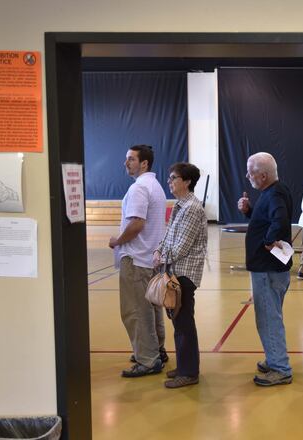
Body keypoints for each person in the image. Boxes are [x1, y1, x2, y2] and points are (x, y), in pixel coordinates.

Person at [109, 144, 168, 378]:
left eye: (131, 159)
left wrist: (118, 241)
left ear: (144, 163)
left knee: (136, 310)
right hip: (151, 258)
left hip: (137, 258)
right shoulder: (155, 186)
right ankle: (156, 351)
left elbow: (136, 224)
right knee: (152, 308)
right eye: (126, 159)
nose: (126, 163)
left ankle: (147, 359)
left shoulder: (139, 188)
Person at [237, 152, 294, 386]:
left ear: (263, 175)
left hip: (267, 269)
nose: (247, 176)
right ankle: (274, 359)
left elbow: (278, 220)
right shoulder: (273, 192)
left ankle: (280, 368)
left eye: (251, 172)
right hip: (271, 268)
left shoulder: (274, 194)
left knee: (269, 319)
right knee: (271, 316)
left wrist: (270, 241)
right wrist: (250, 211)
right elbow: (269, 218)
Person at [154, 162, 208, 388]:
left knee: (184, 322)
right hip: (174, 272)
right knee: (178, 322)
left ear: (187, 182)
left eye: (174, 178)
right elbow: (168, 238)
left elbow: (181, 247)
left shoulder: (192, 208)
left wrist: (161, 257)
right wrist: (159, 249)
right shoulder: (180, 206)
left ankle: (189, 372)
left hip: (184, 274)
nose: (169, 182)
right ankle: (185, 365)